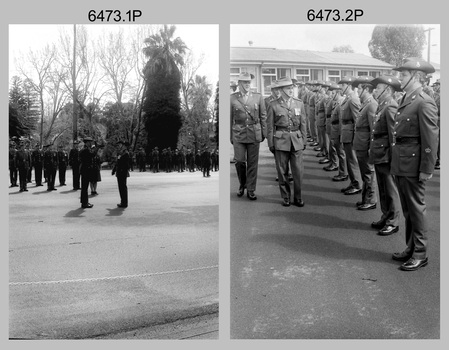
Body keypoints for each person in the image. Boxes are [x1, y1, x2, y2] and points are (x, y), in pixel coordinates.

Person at [390, 57, 439, 271]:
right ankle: (411, 247)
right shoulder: (407, 99)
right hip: (402, 161)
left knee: (416, 209)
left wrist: (427, 168)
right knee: (408, 210)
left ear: (415, 76)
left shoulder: (424, 101)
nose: (399, 77)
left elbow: (430, 139)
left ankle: (420, 254)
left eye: (403, 74)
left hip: (413, 163)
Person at [369, 74, 402, 236]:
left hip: (386, 155)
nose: (375, 90)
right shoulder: (382, 105)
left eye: (379, 88)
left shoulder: (390, 107)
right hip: (379, 153)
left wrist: (393, 159)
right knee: (382, 188)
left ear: (387, 90)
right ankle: (385, 215)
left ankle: (393, 221)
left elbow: (393, 136)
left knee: (390, 189)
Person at [267, 77, 307, 207]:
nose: (291, 90)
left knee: (298, 171)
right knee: (282, 171)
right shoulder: (273, 105)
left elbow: (303, 123)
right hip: (280, 140)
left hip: (296, 139)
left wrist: (304, 140)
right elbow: (270, 126)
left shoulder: (299, 103)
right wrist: (271, 143)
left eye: (292, 88)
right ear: (281, 90)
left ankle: (298, 197)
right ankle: (285, 197)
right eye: (288, 88)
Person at [230, 72, 267, 200]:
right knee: (239, 161)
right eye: (244, 82)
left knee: (252, 163)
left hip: (254, 131)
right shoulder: (232, 98)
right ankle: (242, 184)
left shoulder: (258, 97)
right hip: (238, 133)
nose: (247, 85)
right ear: (239, 84)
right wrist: (230, 136)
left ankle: (250, 189)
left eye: (248, 82)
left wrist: (264, 132)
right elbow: (229, 118)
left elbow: (263, 116)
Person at [352, 76, 378, 210]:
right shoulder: (366, 103)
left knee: (368, 174)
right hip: (361, 143)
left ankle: (371, 200)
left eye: (360, 88)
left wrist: (371, 147)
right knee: (364, 173)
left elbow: (374, 128)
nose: (357, 91)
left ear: (366, 89)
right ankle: (365, 198)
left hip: (365, 144)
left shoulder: (371, 104)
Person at [338, 76, 362, 195]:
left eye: (342, 85)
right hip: (346, 132)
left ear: (348, 85)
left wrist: (356, 137)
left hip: (351, 133)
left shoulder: (353, 99)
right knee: (349, 159)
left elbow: (357, 119)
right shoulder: (347, 98)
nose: (340, 88)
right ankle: (353, 182)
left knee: (352, 160)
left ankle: (357, 184)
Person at [112, 140, 130, 208]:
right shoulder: (121, 153)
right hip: (119, 171)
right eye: (118, 145)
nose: (118, 146)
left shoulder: (125, 153)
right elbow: (117, 162)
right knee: (121, 187)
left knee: (123, 187)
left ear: (123, 145)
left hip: (122, 172)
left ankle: (124, 202)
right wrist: (114, 170)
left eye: (120, 145)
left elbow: (126, 164)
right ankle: (123, 201)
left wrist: (122, 170)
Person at [79, 137, 95, 208]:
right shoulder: (86, 150)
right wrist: (96, 149)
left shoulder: (84, 149)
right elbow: (92, 155)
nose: (91, 143)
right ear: (87, 142)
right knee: (85, 187)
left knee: (84, 187)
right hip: (86, 169)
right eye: (90, 142)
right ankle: (84, 203)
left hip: (84, 169)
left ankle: (84, 202)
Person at [432, 79, 440, 169]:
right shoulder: (435, 96)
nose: (435, 87)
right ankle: (436, 160)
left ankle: (438, 161)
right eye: (435, 85)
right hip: (436, 122)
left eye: (437, 85)